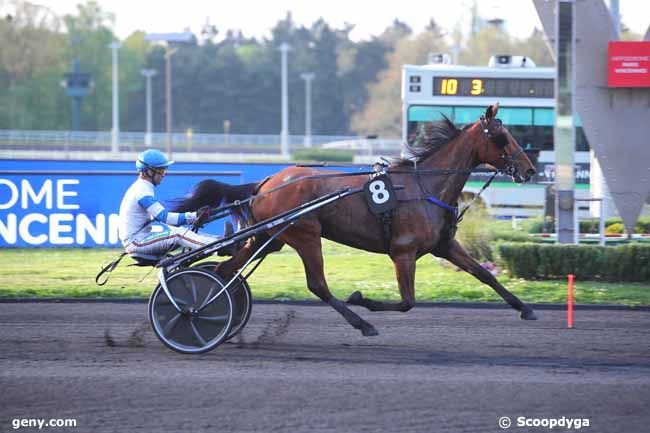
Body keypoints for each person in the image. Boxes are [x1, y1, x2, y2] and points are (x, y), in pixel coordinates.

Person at [118, 149, 233, 262]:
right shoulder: (141, 191)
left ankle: (219, 240)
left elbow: (159, 218)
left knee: (182, 231)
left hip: (140, 240)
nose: (163, 175)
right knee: (179, 234)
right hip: (136, 243)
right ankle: (219, 247)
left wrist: (191, 219)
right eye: (161, 171)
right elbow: (164, 217)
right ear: (149, 171)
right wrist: (194, 216)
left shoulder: (143, 188)